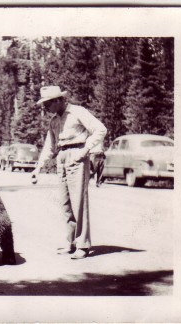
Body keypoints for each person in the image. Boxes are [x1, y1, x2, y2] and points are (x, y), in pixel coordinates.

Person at [31, 85, 107, 259]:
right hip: (62, 158)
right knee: (65, 203)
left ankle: (83, 244)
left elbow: (100, 129)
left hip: (77, 155)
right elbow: (49, 146)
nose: (45, 107)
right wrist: (38, 167)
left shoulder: (78, 112)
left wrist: (86, 149)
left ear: (58, 100)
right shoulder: (54, 121)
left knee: (79, 201)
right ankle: (70, 242)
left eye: (48, 103)